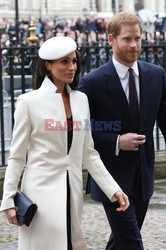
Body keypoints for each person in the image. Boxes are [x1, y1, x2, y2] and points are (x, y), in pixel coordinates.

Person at [0, 36, 129, 250]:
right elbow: (16, 157)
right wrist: (8, 199)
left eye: (74, 61)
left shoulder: (81, 100)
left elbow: (89, 153)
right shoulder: (28, 103)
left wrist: (113, 189)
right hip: (40, 196)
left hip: (72, 192)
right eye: (64, 62)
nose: (72, 67)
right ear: (48, 65)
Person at [78, 11, 166, 250]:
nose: (134, 45)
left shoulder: (157, 75)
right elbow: (80, 130)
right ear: (111, 39)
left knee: (120, 242)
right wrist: (116, 141)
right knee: (132, 243)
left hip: (144, 176)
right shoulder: (92, 82)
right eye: (127, 39)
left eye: (137, 38)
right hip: (110, 178)